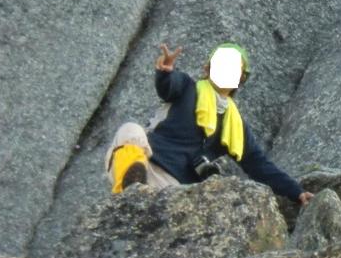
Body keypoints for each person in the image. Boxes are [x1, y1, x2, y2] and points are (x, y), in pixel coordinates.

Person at [105, 42, 312, 205]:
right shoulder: (187, 87)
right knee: (130, 130)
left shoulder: (234, 126)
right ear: (207, 69)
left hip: (172, 186)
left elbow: (258, 164)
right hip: (146, 160)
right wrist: (165, 72)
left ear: (242, 78)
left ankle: (137, 198)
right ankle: (129, 194)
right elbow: (168, 87)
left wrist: (296, 192)